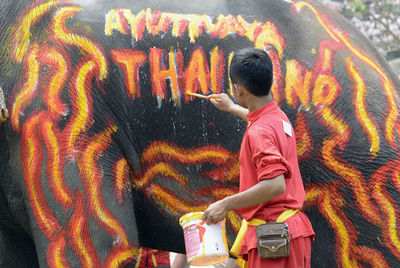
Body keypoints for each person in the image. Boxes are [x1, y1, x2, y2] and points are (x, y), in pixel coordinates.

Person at [202, 48, 315, 268]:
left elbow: (274, 185)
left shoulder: (259, 131)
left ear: (239, 89)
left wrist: (225, 205)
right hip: (293, 232)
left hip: (275, 240)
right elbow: (260, 122)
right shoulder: (278, 116)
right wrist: (232, 107)